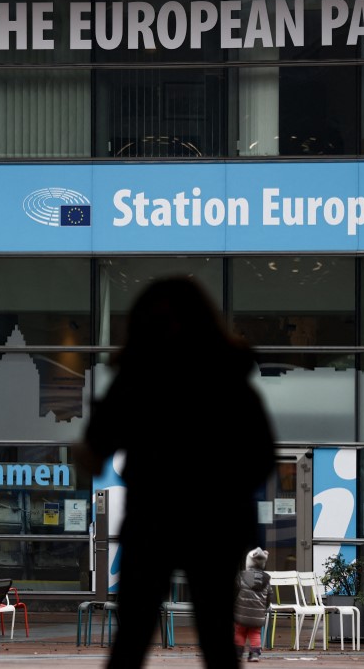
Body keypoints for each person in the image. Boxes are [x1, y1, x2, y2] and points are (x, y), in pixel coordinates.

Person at [77, 276, 276, 669]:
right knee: (217, 640)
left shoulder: (137, 379)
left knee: (132, 637)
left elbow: (94, 451)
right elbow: (263, 458)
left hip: (151, 519)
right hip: (216, 522)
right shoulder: (231, 381)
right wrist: (226, 489)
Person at [234, 547, 272, 663]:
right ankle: (255, 654)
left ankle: (238, 654)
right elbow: (269, 596)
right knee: (255, 634)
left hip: (241, 613)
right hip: (258, 614)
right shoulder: (266, 579)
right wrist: (264, 608)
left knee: (240, 632)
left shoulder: (241, 576)